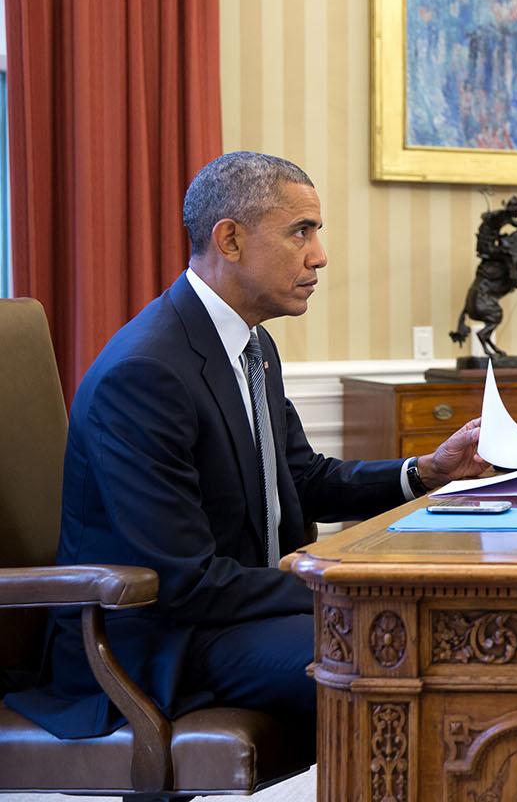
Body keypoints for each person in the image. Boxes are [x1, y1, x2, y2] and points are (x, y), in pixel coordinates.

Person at [5, 151, 490, 739]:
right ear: (230, 240)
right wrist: (345, 579)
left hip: (231, 616)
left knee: (431, 635)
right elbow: (182, 581)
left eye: (317, 232)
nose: (319, 255)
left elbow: (301, 480)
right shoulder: (146, 373)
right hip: (157, 643)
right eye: (300, 232)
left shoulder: (251, 344)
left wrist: (428, 472)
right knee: (393, 648)